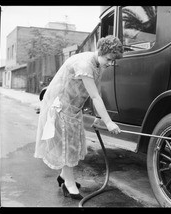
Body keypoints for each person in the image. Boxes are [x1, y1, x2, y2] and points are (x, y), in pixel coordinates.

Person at [34, 35, 123, 200]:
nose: (110, 64)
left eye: (113, 61)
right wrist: (109, 122)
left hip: (74, 107)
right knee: (68, 147)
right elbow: (95, 97)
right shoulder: (84, 65)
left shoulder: (98, 64)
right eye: (109, 59)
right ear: (101, 52)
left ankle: (63, 176)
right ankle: (68, 184)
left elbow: (96, 92)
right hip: (61, 106)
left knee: (73, 145)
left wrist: (98, 117)